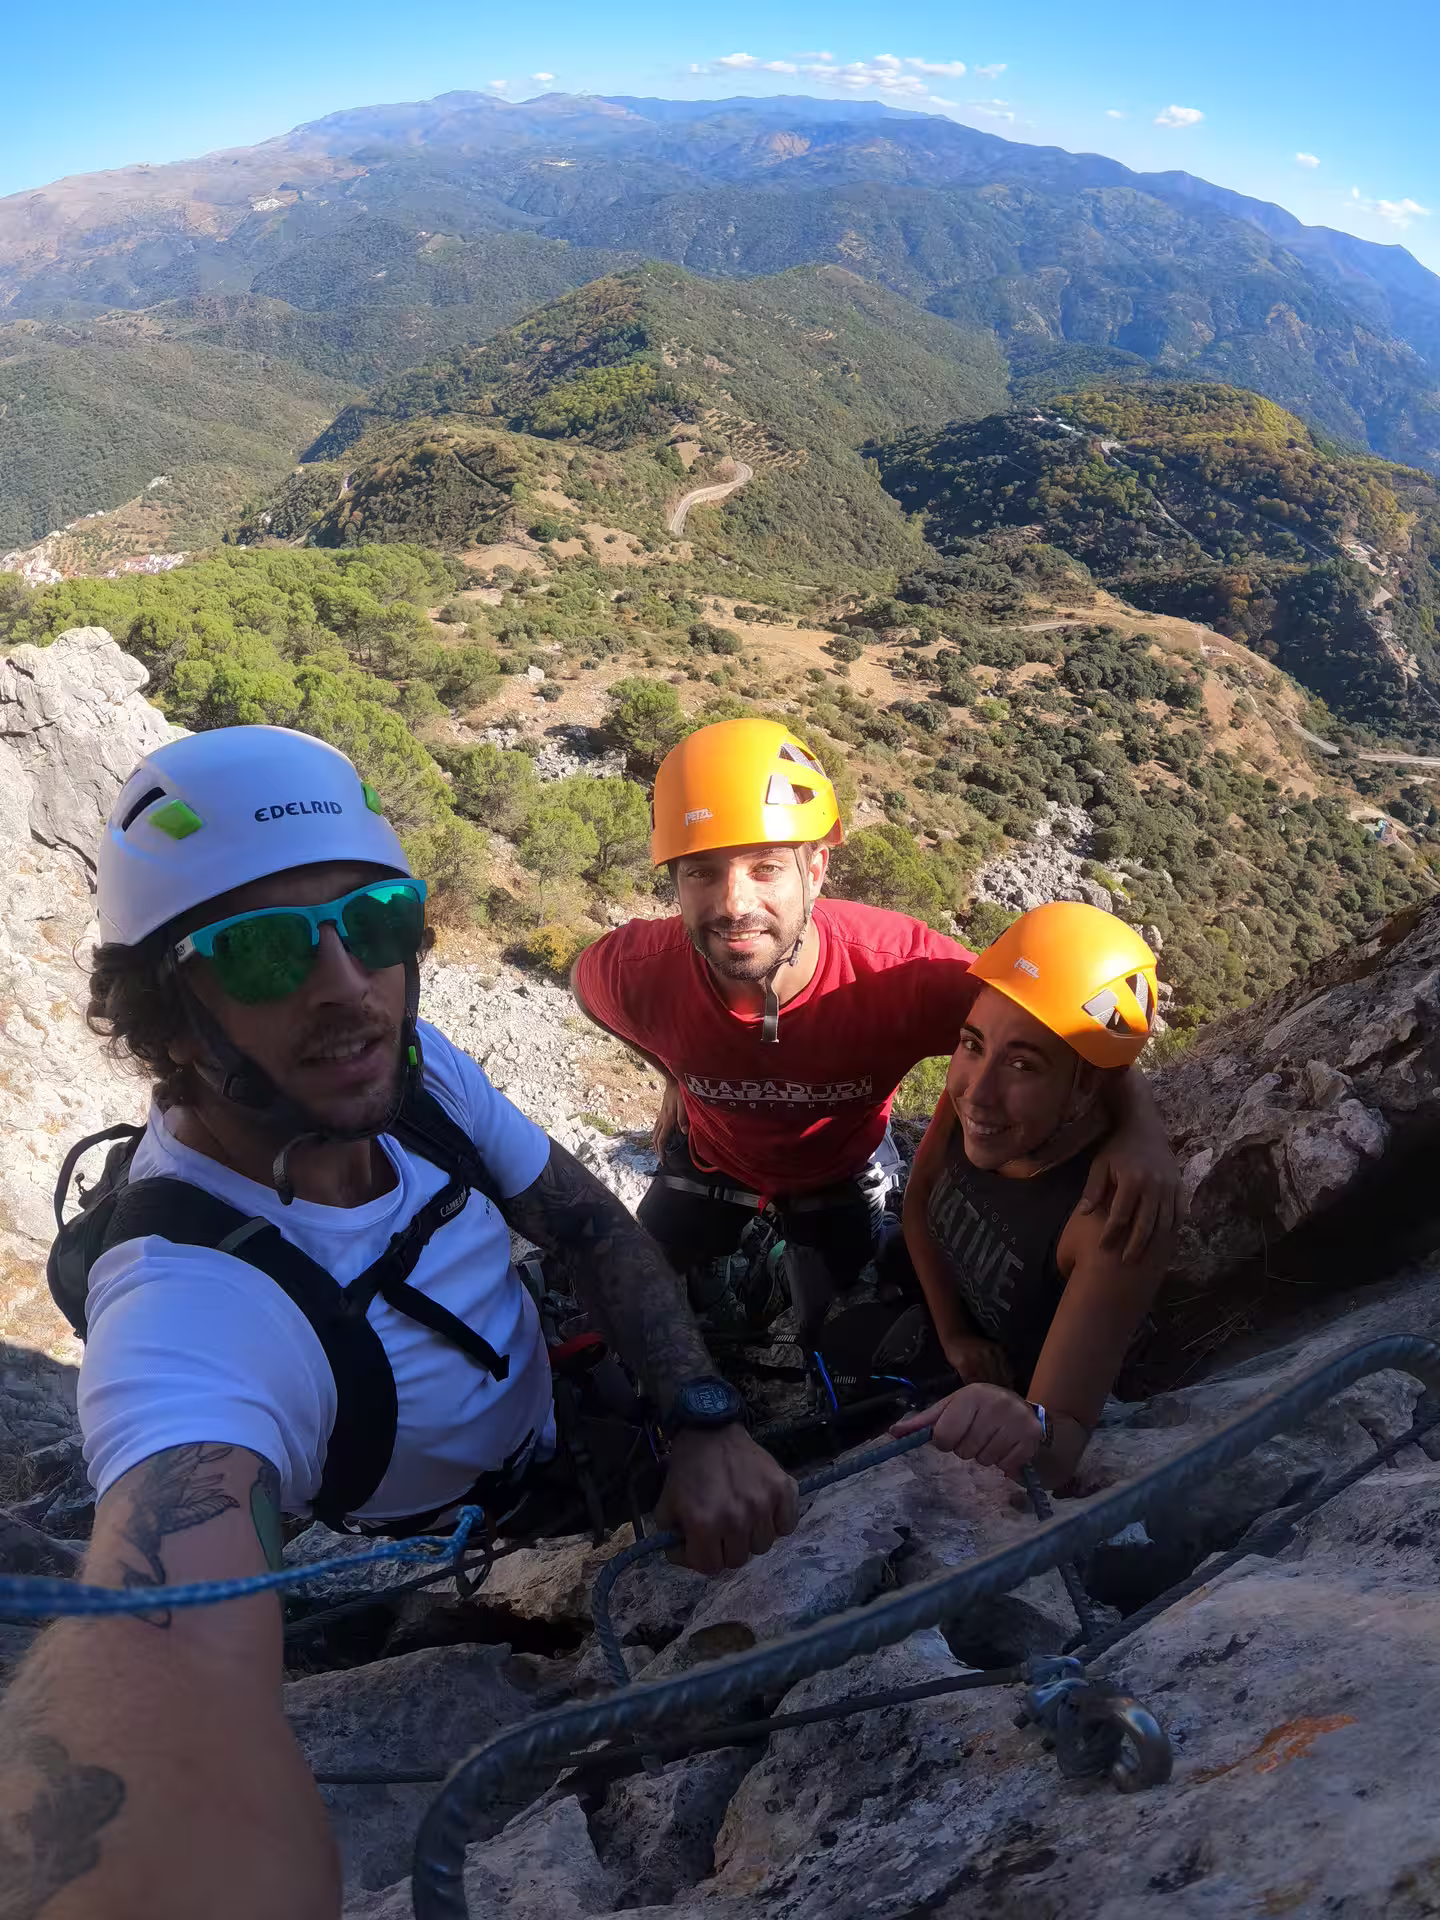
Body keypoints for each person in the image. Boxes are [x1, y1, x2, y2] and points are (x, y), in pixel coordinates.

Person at [0, 725, 796, 1920]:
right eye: (265, 950)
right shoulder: (184, 1298)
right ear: (168, 1016)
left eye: (373, 924)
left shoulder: (413, 1075)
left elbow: (581, 1222)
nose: (345, 988)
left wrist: (701, 1419)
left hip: (577, 1419)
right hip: (459, 1530)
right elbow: (159, 1634)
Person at [572, 717, 1181, 1343]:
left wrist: (1139, 1130)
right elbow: (586, 991)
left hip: (838, 1171)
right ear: (674, 880)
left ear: (815, 868)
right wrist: (671, 1074)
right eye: (701, 871)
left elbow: (1055, 1027)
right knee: (644, 1293)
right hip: (713, 1159)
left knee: (832, 1340)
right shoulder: (637, 971)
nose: (733, 904)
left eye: (765, 868)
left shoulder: (901, 974)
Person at [893, 903, 1174, 1486]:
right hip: (941, 1331)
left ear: (1086, 1088)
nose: (979, 1091)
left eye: (1023, 1064)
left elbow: (1059, 1441)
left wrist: (1024, 1419)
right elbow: (916, 1208)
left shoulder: (1105, 1217)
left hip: (996, 1405)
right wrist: (956, 1338)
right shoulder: (969, 1105)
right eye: (972, 1044)